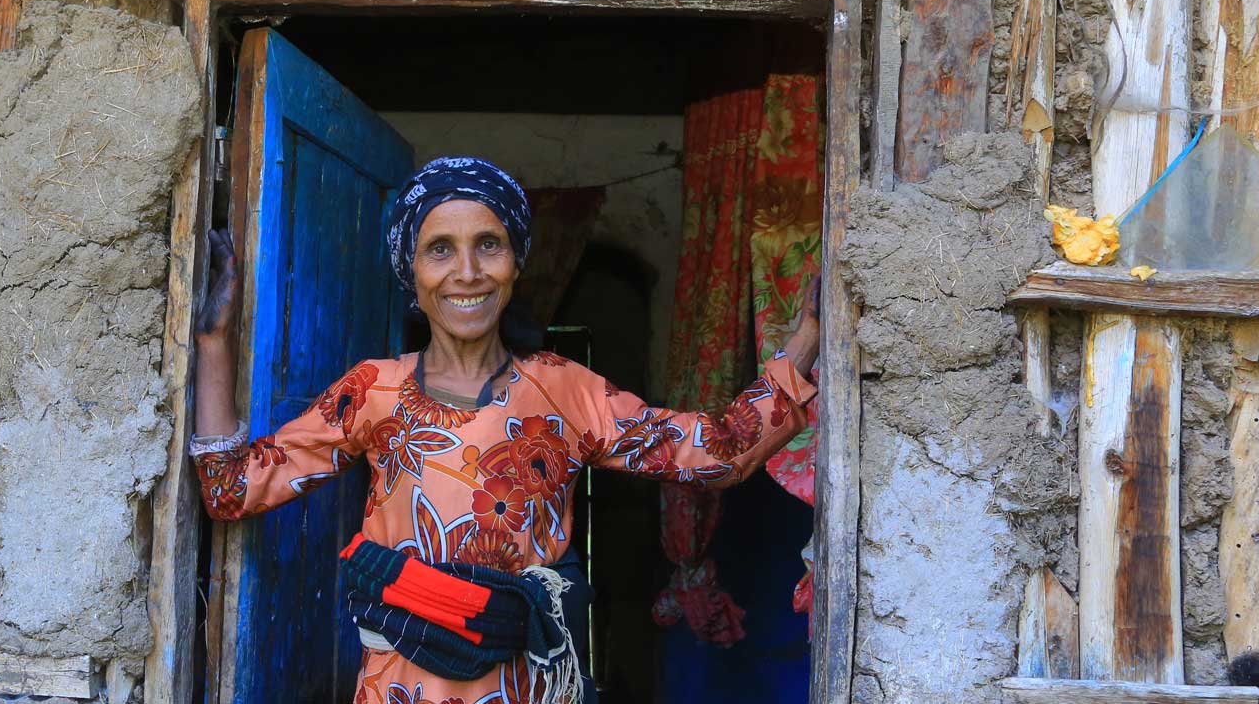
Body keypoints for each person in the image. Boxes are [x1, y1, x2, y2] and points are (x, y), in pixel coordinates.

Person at [191, 157, 820, 704]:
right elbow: (230, 490)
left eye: (488, 244)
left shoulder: (564, 390)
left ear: (517, 262)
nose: (467, 271)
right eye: (440, 249)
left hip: (526, 686)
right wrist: (213, 341)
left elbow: (717, 453)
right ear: (410, 272)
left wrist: (808, 337)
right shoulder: (372, 392)